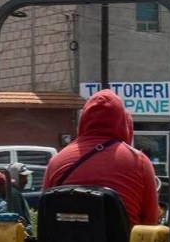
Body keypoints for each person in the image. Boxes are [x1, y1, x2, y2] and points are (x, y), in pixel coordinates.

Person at [43, 89, 160, 226]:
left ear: (84, 120)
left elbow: (45, 213)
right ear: (123, 121)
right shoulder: (139, 162)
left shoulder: (56, 161)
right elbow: (150, 221)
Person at [3, 162, 33, 226]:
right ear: (14, 176)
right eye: (23, 177)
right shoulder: (14, 193)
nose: (26, 181)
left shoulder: (14, 191)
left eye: (26, 177)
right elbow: (19, 218)